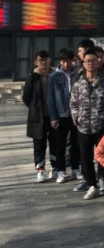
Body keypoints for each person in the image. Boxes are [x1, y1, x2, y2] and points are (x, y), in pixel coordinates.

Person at [71, 47, 104, 198]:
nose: (90, 63)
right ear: (83, 63)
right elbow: (73, 104)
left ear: (98, 62)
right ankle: (91, 184)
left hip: (101, 127)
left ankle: (102, 179)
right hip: (83, 128)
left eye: (93, 61)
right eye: (87, 61)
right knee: (85, 158)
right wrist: (77, 118)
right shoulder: (78, 84)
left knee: (103, 155)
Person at [23, 50, 55, 183]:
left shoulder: (55, 75)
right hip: (38, 117)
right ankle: (41, 169)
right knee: (39, 145)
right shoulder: (33, 77)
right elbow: (26, 97)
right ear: (36, 62)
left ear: (50, 60)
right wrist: (35, 107)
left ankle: (55, 167)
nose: (43, 62)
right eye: (40, 60)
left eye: (45, 59)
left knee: (55, 142)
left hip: (54, 116)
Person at [47, 49, 74, 183]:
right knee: (60, 144)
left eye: (68, 61)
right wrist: (53, 117)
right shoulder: (54, 76)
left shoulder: (78, 73)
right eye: (63, 61)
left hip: (75, 114)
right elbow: (50, 98)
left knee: (75, 143)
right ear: (60, 62)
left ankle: (76, 168)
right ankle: (61, 171)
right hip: (61, 114)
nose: (66, 64)